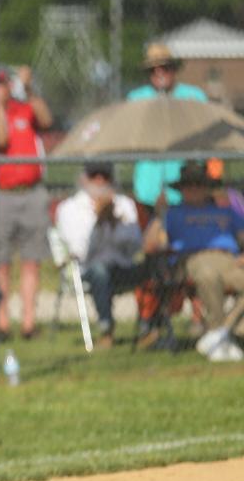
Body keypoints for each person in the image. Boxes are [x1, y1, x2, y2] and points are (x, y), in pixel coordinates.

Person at [0, 66, 53, 339]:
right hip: (1, 196)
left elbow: (46, 119)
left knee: (31, 260)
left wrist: (28, 88)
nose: (0, 90)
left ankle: (29, 322)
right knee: (1, 262)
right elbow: (1, 139)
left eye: (3, 85)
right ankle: (2, 322)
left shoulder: (24, 109)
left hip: (31, 193)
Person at [145, 162, 244, 362]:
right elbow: (150, 246)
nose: (194, 189)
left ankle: (222, 333)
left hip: (228, 259)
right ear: (181, 190)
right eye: (189, 185)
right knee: (208, 275)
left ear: (207, 187)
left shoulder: (226, 212)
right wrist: (158, 215)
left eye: (199, 184)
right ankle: (219, 332)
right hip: (192, 258)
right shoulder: (172, 213)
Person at [55, 163, 144, 348]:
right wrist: (98, 222)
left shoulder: (124, 204)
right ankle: (106, 329)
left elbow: (134, 246)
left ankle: (149, 327)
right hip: (87, 269)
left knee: (152, 267)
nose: (100, 181)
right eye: (94, 175)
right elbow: (80, 251)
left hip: (121, 265)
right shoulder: (70, 208)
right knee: (100, 272)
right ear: (84, 178)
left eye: (105, 176)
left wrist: (113, 224)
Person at [127, 43, 207, 221]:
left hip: (185, 186)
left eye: (164, 67)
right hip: (148, 187)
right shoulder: (136, 99)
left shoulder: (194, 97)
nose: (159, 72)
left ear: (174, 68)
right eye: (152, 69)